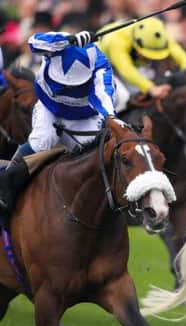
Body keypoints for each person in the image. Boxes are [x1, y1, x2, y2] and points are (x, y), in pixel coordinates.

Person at [0, 30, 116, 213]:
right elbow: (34, 41)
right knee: (41, 141)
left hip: (83, 117)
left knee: (91, 154)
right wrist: (66, 41)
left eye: (72, 84)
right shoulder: (55, 45)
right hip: (49, 108)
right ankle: (5, 185)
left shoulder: (100, 64)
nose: (67, 86)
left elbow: (105, 94)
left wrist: (112, 119)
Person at [97, 17, 186, 110]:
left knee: (145, 86)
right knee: (122, 97)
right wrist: (152, 88)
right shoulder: (116, 41)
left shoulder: (158, 35)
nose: (150, 59)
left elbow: (181, 56)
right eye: (147, 55)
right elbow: (126, 70)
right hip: (99, 66)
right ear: (137, 44)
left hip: (125, 63)